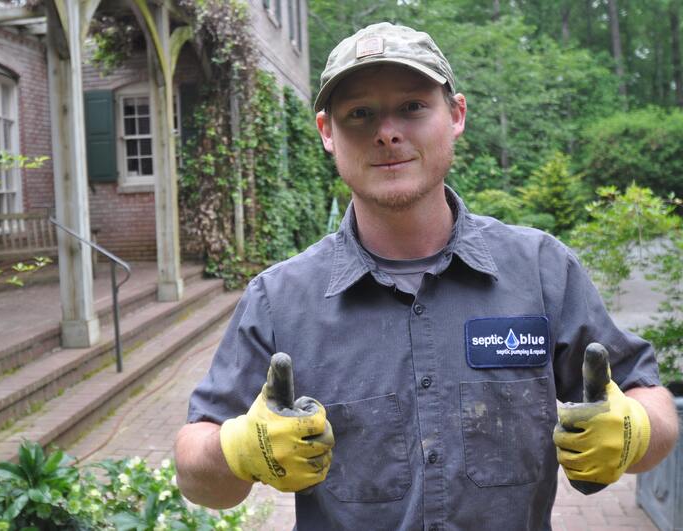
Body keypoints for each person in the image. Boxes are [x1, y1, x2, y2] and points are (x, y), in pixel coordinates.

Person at [174, 22, 679, 530]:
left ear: (456, 114)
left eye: (413, 107)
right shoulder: (279, 300)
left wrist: (635, 429)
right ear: (327, 131)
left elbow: (652, 402)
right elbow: (195, 470)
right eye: (360, 114)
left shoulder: (543, 271)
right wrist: (237, 450)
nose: (387, 132)